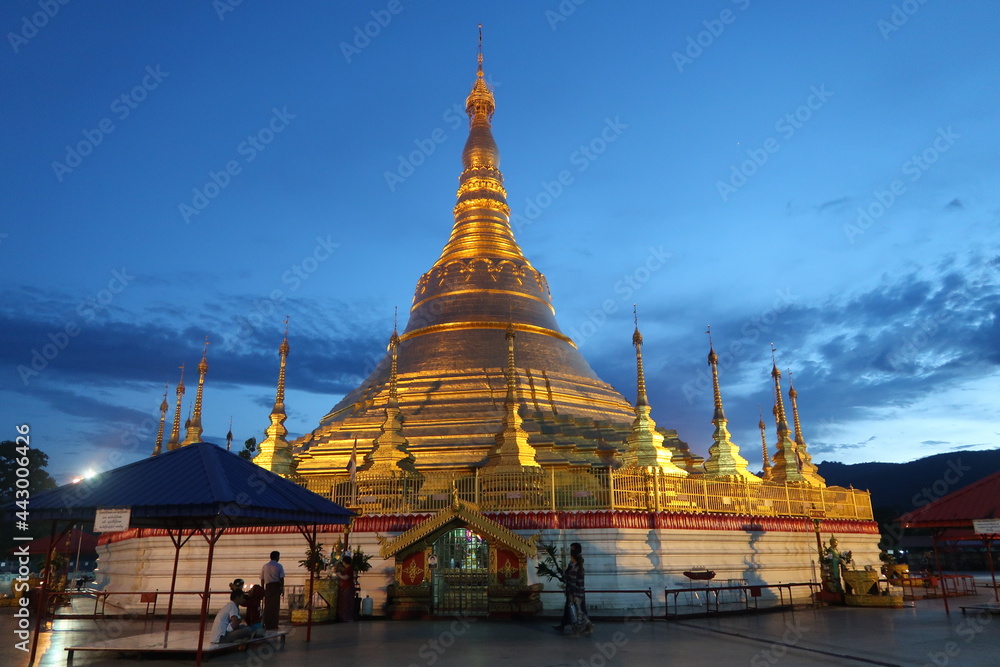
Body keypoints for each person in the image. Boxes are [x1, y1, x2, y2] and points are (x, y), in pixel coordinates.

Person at [553, 543, 592, 635]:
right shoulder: (575, 564)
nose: (570, 552)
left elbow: (572, 579)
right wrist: (562, 575)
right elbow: (568, 575)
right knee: (570, 609)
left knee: (578, 611)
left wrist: (564, 577)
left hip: (574, 592)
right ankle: (564, 625)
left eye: (572, 550)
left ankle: (582, 627)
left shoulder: (575, 566)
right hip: (576, 591)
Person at [564, 552, 592, 637]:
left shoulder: (574, 569)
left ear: (573, 558)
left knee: (575, 613)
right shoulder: (580, 568)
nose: (570, 559)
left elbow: (572, 582)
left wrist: (571, 593)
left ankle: (577, 631)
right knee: (579, 611)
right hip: (580, 592)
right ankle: (588, 624)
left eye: (571, 557)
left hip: (575, 593)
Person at [260, 551, 285, 630]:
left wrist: (262, 588)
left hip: (268, 587)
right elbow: (282, 578)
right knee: (275, 607)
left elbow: (262, 579)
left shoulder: (265, 566)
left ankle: (267, 623)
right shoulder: (279, 566)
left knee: (267, 606)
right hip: (276, 587)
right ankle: (274, 624)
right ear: (277, 557)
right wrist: (282, 588)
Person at [337, 554, 356, 622]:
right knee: (344, 603)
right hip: (346, 587)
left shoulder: (349, 569)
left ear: (344, 562)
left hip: (347, 587)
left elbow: (346, 577)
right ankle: (344, 617)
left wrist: (339, 575)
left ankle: (347, 617)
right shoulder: (348, 568)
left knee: (346, 603)